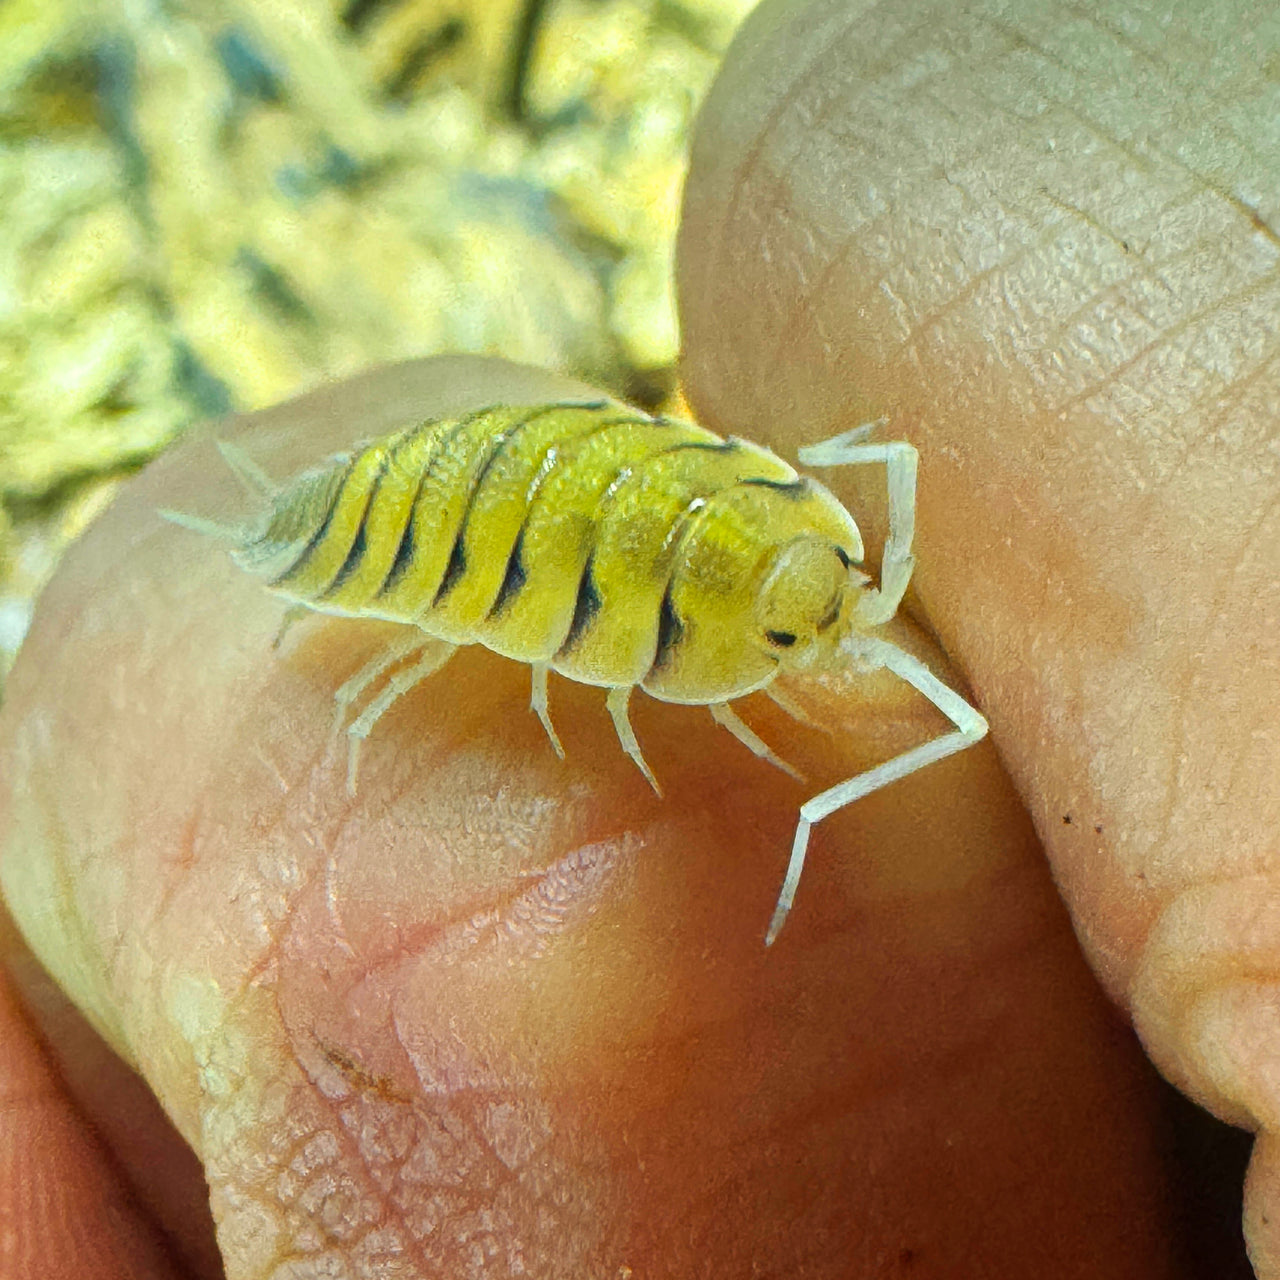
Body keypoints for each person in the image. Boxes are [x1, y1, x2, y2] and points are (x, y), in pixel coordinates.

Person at [0, 0, 1271, 1274]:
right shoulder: (596, 611)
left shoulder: (763, 546)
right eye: (815, 595)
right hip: (403, 516)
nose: (844, 607)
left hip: (466, 496)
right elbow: (606, 666)